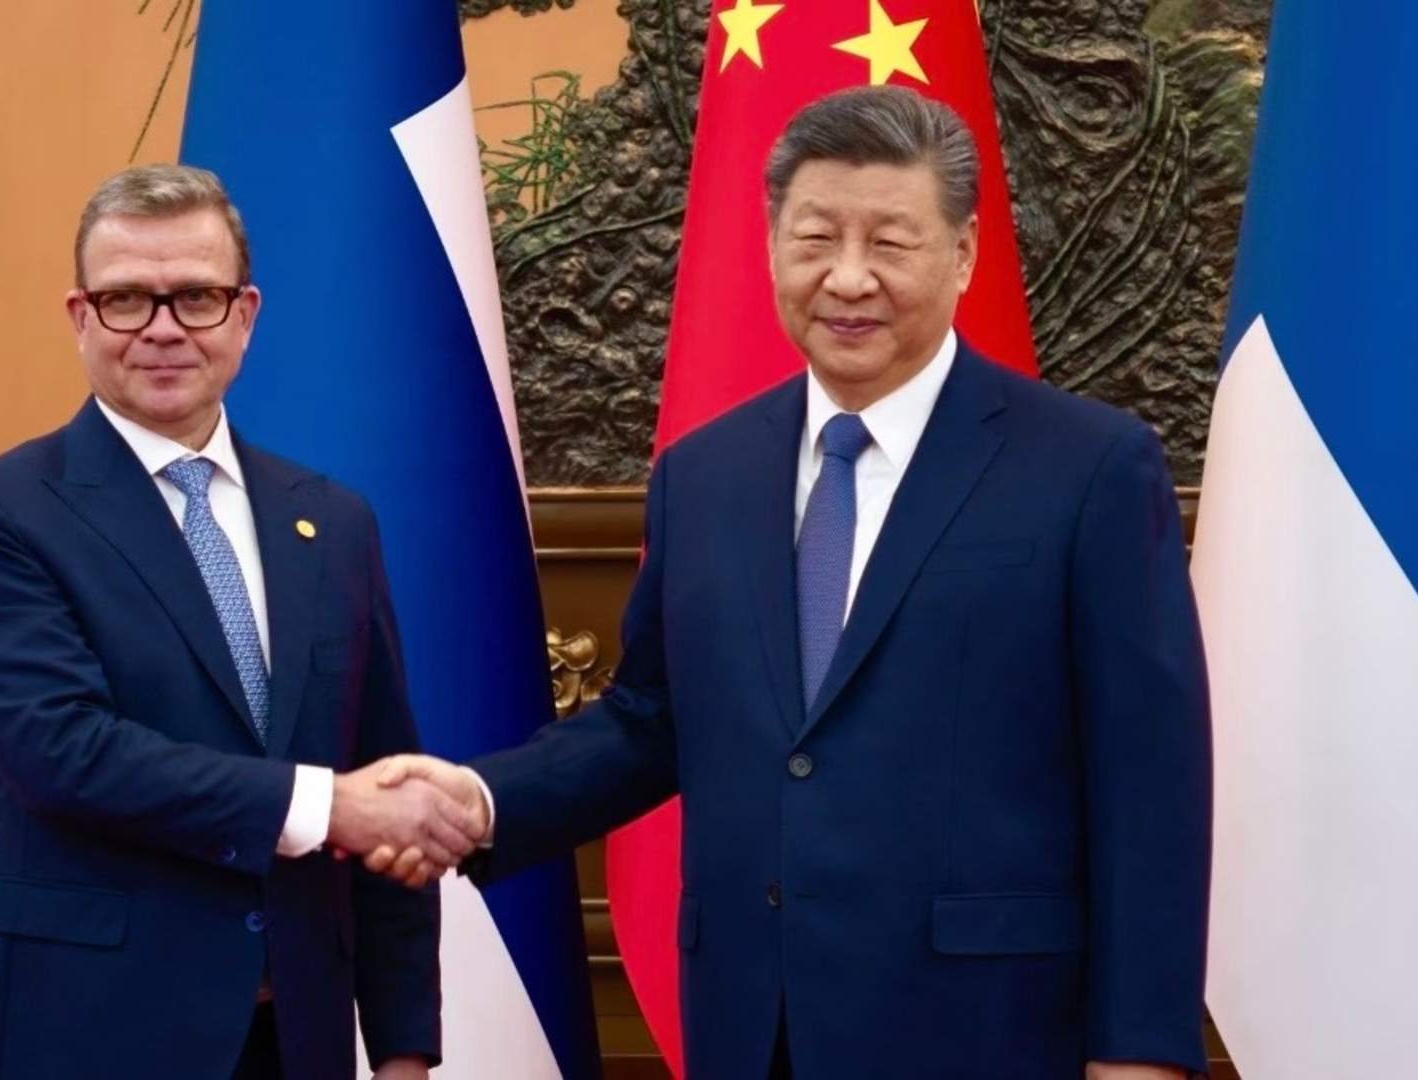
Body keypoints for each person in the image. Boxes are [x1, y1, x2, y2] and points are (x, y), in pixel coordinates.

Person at [375, 86, 1213, 1079]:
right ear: (773, 245)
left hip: (990, 1030)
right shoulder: (704, 475)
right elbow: (651, 721)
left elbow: (1149, 784)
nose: (848, 278)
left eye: (890, 243)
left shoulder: (1089, 468)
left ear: (963, 254)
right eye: (815, 238)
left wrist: (1140, 1053)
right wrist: (480, 800)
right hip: (755, 1025)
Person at [0, 164, 481, 1080]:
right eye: (126, 299)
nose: (163, 328)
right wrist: (325, 806)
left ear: (245, 314)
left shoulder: (333, 522)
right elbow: (63, 754)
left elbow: (381, 775)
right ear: (80, 317)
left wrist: (404, 1047)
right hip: (78, 1034)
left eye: (196, 297)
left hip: (291, 1037)